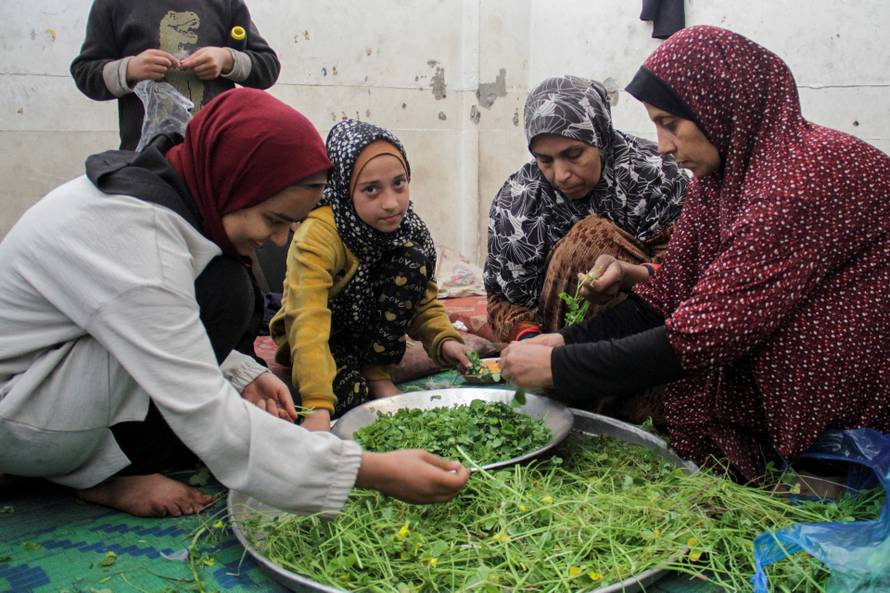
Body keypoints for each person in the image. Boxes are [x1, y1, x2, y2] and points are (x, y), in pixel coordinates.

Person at [0, 89, 469, 518]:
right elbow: (203, 408)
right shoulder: (138, 240)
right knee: (223, 295)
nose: (281, 238)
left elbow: (164, 328)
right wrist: (374, 471)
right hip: (23, 414)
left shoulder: (171, 190)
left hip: (56, 380)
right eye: (274, 219)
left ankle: (118, 455)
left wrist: (243, 371)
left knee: (226, 288)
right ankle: (111, 472)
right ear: (233, 183)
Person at [499, 26, 890, 481]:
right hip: (726, 327)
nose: (664, 145)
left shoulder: (798, 179)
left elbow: (707, 332)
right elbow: (666, 295)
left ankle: (825, 462)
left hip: (850, 358)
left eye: (670, 124)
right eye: (656, 126)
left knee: (723, 358)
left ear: (722, 106)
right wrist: (566, 341)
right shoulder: (723, 176)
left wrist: (561, 366)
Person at [271, 120, 473, 432]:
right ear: (343, 186)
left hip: (369, 338)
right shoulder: (318, 235)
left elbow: (422, 302)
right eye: (371, 190)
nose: (391, 203)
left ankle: (376, 370)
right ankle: (355, 376)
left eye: (399, 183)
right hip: (322, 337)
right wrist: (316, 406)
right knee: (350, 402)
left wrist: (444, 340)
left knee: (412, 258)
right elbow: (306, 320)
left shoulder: (409, 229)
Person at [484, 75, 689, 343]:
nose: (561, 175)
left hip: (648, 331)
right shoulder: (518, 203)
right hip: (553, 339)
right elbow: (502, 299)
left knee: (590, 240)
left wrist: (628, 275)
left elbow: (687, 270)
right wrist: (530, 340)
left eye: (573, 154)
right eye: (544, 160)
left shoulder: (655, 177)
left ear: (601, 138)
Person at [71, 0, 280, 150]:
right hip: (146, 157)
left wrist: (226, 59)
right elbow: (84, 72)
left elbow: (268, 67)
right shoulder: (113, 5)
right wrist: (130, 69)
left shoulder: (226, 4)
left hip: (216, 153)